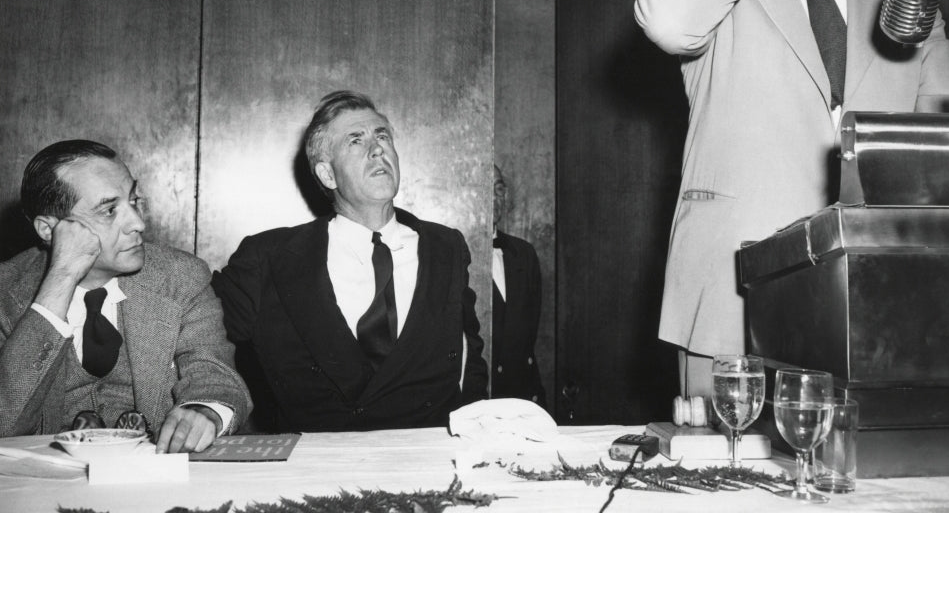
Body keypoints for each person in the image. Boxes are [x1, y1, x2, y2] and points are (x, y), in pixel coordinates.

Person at [634, 0, 949, 399]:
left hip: (870, 297)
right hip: (732, 296)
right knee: (724, 480)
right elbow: (670, 22)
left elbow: (946, 139)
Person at [212, 90, 489, 432]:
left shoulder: (445, 247)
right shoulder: (270, 257)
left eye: (382, 136)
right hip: (317, 470)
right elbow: (196, 333)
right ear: (328, 175)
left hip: (424, 464)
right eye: (355, 141)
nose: (377, 149)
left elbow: (468, 358)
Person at [0, 140, 251, 451]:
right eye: (109, 210)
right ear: (49, 230)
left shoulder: (180, 277)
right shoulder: (5, 292)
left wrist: (205, 411)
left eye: (134, 200)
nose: (137, 223)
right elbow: (5, 422)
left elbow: (215, 375)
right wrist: (60, 280)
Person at [491, 164, 546, 407]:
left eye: (499, 189)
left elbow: (528, 335)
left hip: (521, 397)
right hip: (477, 401)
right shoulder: (448, 254)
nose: (493, 198)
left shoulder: (523, 253)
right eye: (486, 188)